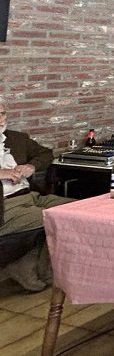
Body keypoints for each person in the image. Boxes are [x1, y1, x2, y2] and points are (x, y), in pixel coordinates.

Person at [0, 96, 73, 292]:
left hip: (29, 195)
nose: (0, 120)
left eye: (2, 114)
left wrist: (31, 166)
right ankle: (38, 271)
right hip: (5, 206)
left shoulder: (16, 139)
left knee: (77, 210)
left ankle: (30, 266)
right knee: (56, 218)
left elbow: (46, 153)